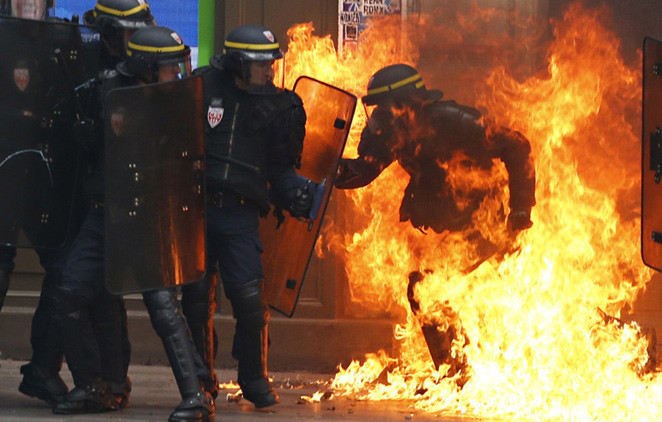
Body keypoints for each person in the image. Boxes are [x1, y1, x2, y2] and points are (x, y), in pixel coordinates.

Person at [51, 26, 214, 422]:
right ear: (144, 66)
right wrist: (87, 138)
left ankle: (197, 395)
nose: (176, 74)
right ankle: (93, 385)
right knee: (68, 293)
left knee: (162, 307)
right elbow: (82, 151)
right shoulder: (104, 90)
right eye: (168, 68)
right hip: (105, 212)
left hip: (150, 212)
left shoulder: (176, 99)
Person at [335, 63, 536, 375]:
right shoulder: (392, 132)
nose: (378, 115)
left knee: (425, 288)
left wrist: (521, 208)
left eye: (384, 107)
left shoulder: (452, 120)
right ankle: (459, 370)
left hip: (486, 221)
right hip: (453, 227)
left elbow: (518, 145)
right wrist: (323, 165)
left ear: (405, 102)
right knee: (428, 290)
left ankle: (458, 374)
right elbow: (364, 170)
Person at [189, 23, 314, 408]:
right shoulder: (200, 87)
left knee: (248, 297)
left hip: (240, 214)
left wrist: (296, 192)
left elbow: (281, 168)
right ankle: (199, 380)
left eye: (272, 63)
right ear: (239, 63)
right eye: (261, 64)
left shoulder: (282, 107)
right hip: (194, 210)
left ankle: (254, 378)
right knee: (194, 300)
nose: (269, 70)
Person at [0, 0, 88, 406]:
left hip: (45, 175)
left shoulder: (65, 40)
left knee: (64, 267)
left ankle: (43, 369)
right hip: (2, 171)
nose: (30, 3)